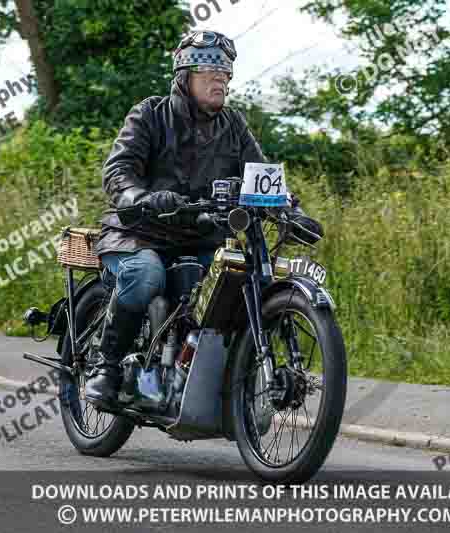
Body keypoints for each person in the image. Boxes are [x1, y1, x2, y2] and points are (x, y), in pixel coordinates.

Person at [86, 30, 323, 411]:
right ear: (184, 77)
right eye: (210, 71)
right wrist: (140, 197)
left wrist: (290, 210)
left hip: (200, 238)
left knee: (225, 288)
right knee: (146, 275)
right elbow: (119, 171)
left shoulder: (233, 126)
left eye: (225, 73)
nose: (220, 79)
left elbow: (262, 177)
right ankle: (106, 365)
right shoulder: (150, 114)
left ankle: (197, 377)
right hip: (139, 234)